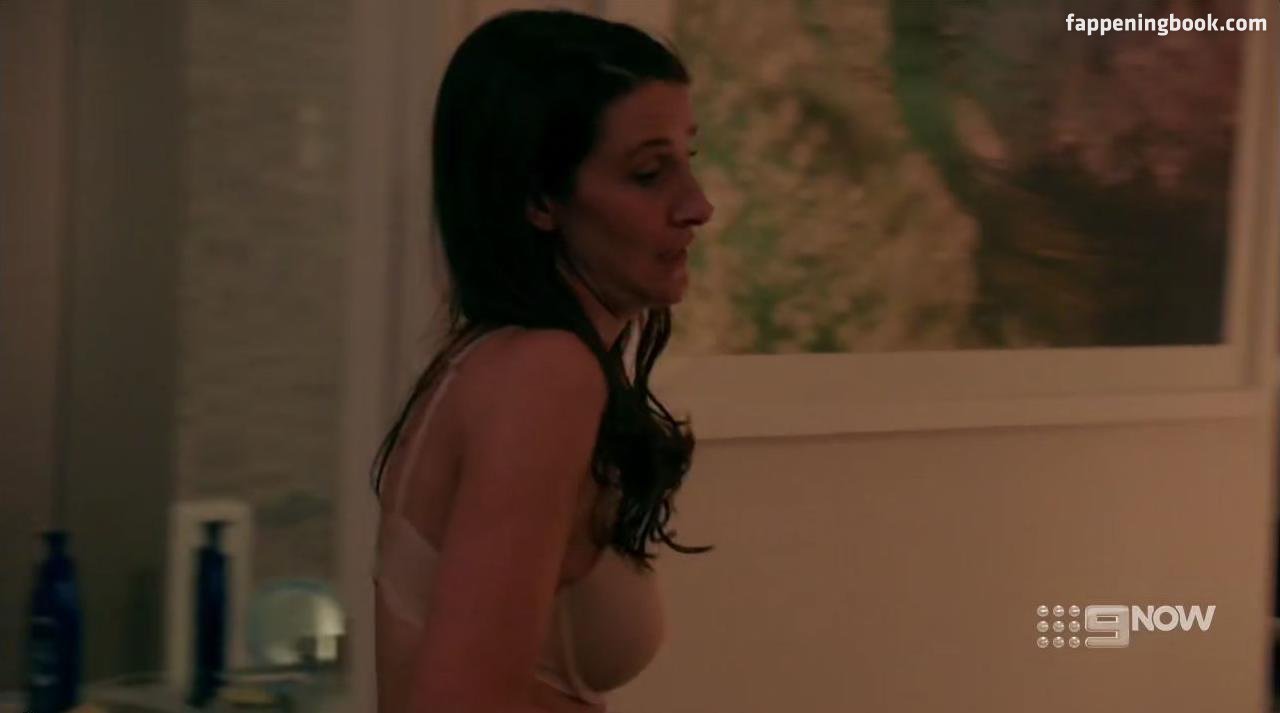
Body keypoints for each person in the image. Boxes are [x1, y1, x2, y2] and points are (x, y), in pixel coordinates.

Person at [369, 9, 716, 713]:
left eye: (689, 159)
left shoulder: (503, 362)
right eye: (650, 173)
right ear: (539, 199)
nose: (697, 205)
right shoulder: (543, 374)